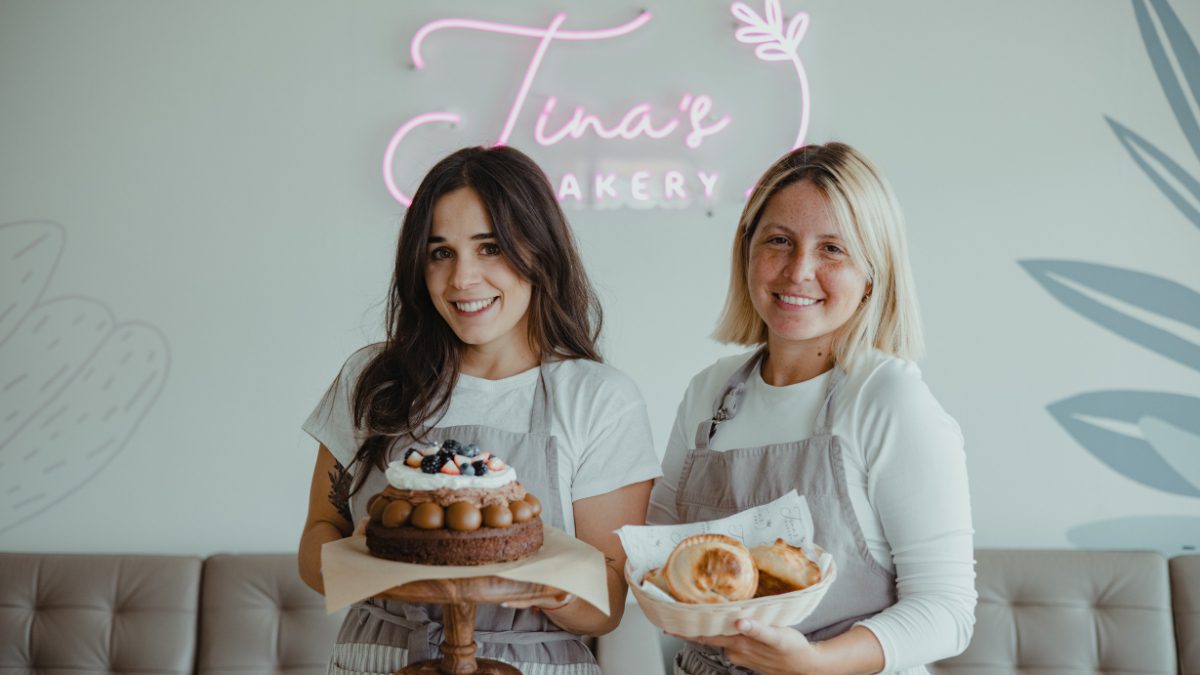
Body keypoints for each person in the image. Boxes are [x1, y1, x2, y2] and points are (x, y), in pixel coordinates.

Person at [299, 145, 661, 675]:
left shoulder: (598, 397)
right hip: (380, 657)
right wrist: (365, 563)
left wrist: (540, 585)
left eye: (489, 248)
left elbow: (607, 602)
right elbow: (318, 534)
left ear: (539, 251)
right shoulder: (373, 381)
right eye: (440, 252)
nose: (463, 279)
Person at [648, 142, 976, 675]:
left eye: (832, 249)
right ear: (747, 251)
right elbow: (658, 558)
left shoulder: (887, 399)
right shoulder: (708, 395)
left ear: (873, 273)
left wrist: (814, 663)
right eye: (779, 241)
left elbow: (948, 611)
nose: (798, 271)